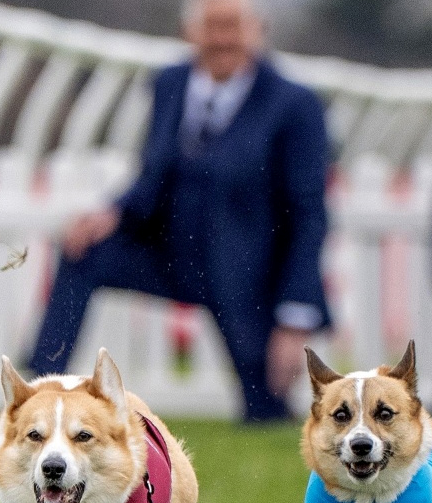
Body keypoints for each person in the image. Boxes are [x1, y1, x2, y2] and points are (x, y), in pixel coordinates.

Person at [27, 0, 331, 423]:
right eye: (212, 26)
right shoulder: (169, 83)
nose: (222, 39)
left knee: (266, 410)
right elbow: (154, 173)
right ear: (191, 32)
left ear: (258, 31)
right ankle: (37, 396)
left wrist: (295, 315)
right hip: (169, 254)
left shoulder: (295, 104)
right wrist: (111, 213)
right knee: (83, 252)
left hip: (247, 280)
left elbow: (308, 214)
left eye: (233, 26)